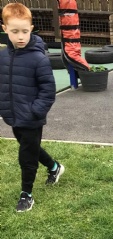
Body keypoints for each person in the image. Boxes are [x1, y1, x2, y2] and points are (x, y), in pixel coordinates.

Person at [0, 3, 64, 213]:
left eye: (25, 31)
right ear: (5, 29)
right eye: (15, 31)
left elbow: (48, 90)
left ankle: (26, 194)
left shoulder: (38, 58)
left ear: (31, 29)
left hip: (31, 117)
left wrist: (35, 111)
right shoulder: (3, 57)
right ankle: (54, 167)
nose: (20, 36)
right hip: (12, 115)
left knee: (26, 155)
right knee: (31, 147)